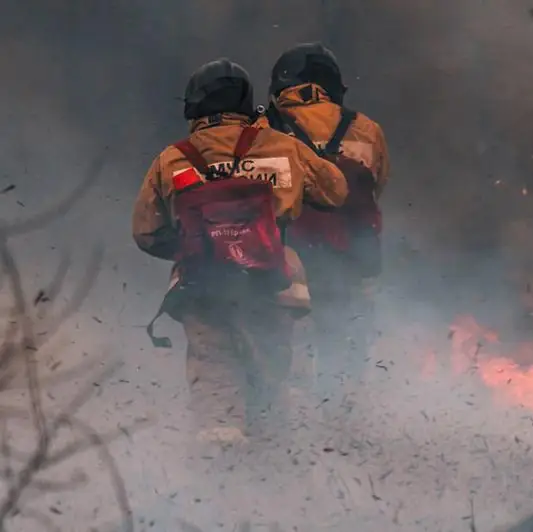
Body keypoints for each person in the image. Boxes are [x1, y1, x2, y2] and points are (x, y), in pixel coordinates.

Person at [131, 58, 348, 445]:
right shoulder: (283, 146)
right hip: (275, 282)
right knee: (277, 379)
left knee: (215, 377)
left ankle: (223, 465)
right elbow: (335, 192)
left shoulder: (171, 159)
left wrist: (200, 245)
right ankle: (283, 461)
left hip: (202, 286)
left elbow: (145, 232)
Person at [264, 43, 390, 407]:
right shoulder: (366, 130)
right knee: (344, 353)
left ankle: (284, 424)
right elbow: (376, 186)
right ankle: (339, 425)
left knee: (284, 352)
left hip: (282, 261)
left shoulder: (261, 130)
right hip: (347, 259)